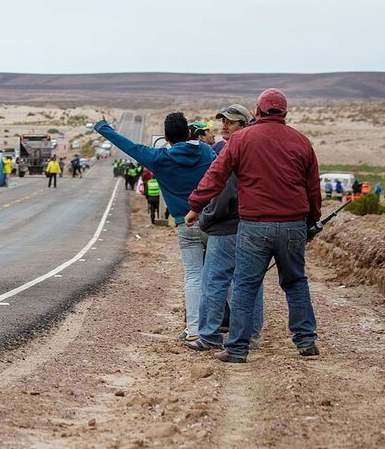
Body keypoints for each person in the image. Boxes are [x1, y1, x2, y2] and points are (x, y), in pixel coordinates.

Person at [186, 88, 321, 364]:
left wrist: (195, 206)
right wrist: (311, 221)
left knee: (246, 285)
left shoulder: (242, 140)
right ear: (284, 113)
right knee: (295, 282)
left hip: (255, 226)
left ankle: (237, 350)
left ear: (257, 112)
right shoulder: (301, 141)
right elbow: (313, 188)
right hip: (293, 224)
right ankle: (306, 341)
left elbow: (216, 175)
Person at [95, 112, 216, 341]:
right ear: (190, 133)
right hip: (214, 220)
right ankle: (225, 327)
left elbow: (128, 146)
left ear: (166, 138)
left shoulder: (159, 159)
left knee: (193, 276)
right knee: (219, 274)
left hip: (185, 223)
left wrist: (103, 127)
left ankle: (193, 330)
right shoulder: (206, 152)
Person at [184, 106, 263, 353]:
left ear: (244, 124)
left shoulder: (231, 150)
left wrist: (204, 219)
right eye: (223, 122)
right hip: (252, 225)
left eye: (231, 122)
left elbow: (223, 193)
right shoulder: (257, 149)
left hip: (226, 227)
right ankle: (251, 335)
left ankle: (209, 336)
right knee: (250, 282)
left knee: (214, 281)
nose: (224, 126)